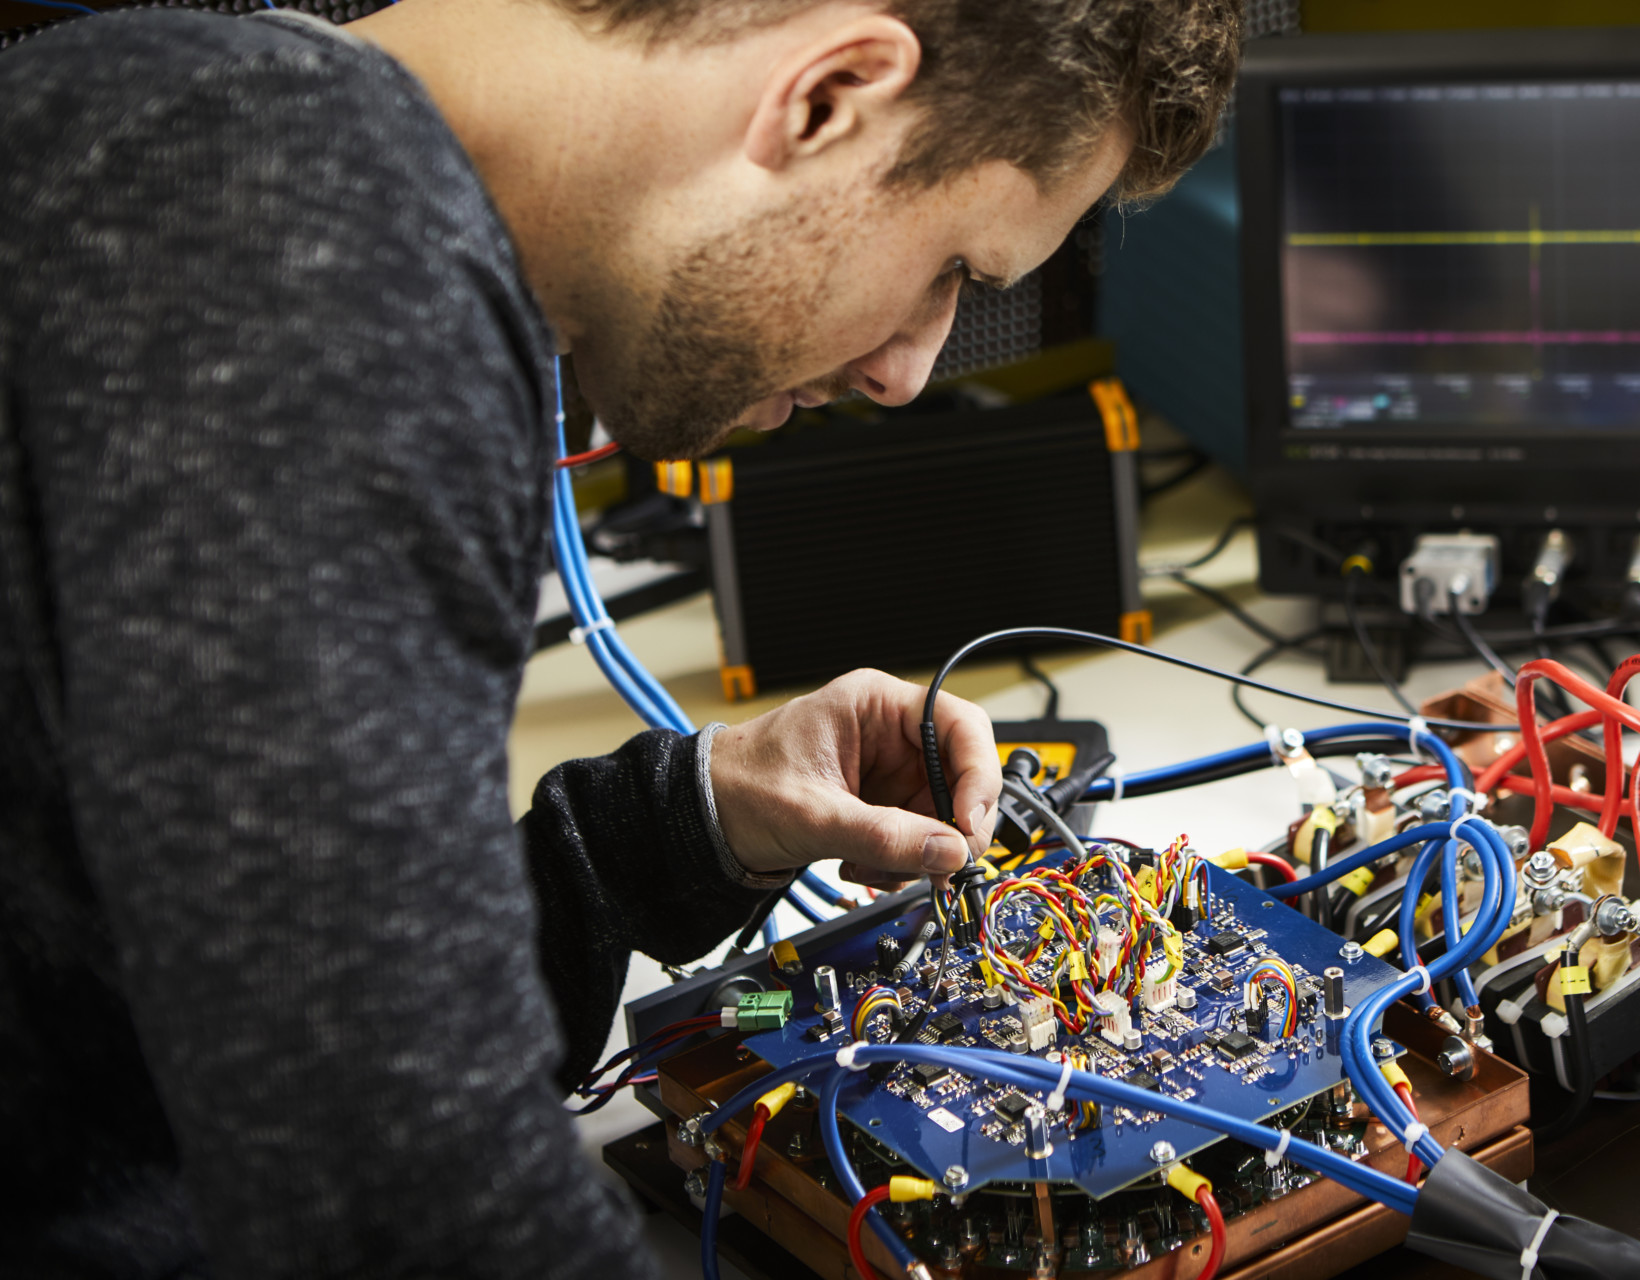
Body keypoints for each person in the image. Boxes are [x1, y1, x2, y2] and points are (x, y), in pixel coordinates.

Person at [0, 0, 1241, 1274]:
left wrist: (673, 825)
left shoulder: (163, 124)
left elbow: (208, 1021)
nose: (908, 373)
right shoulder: (312, 285)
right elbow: (409, 1200)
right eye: (955, 272)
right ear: (828, 98)